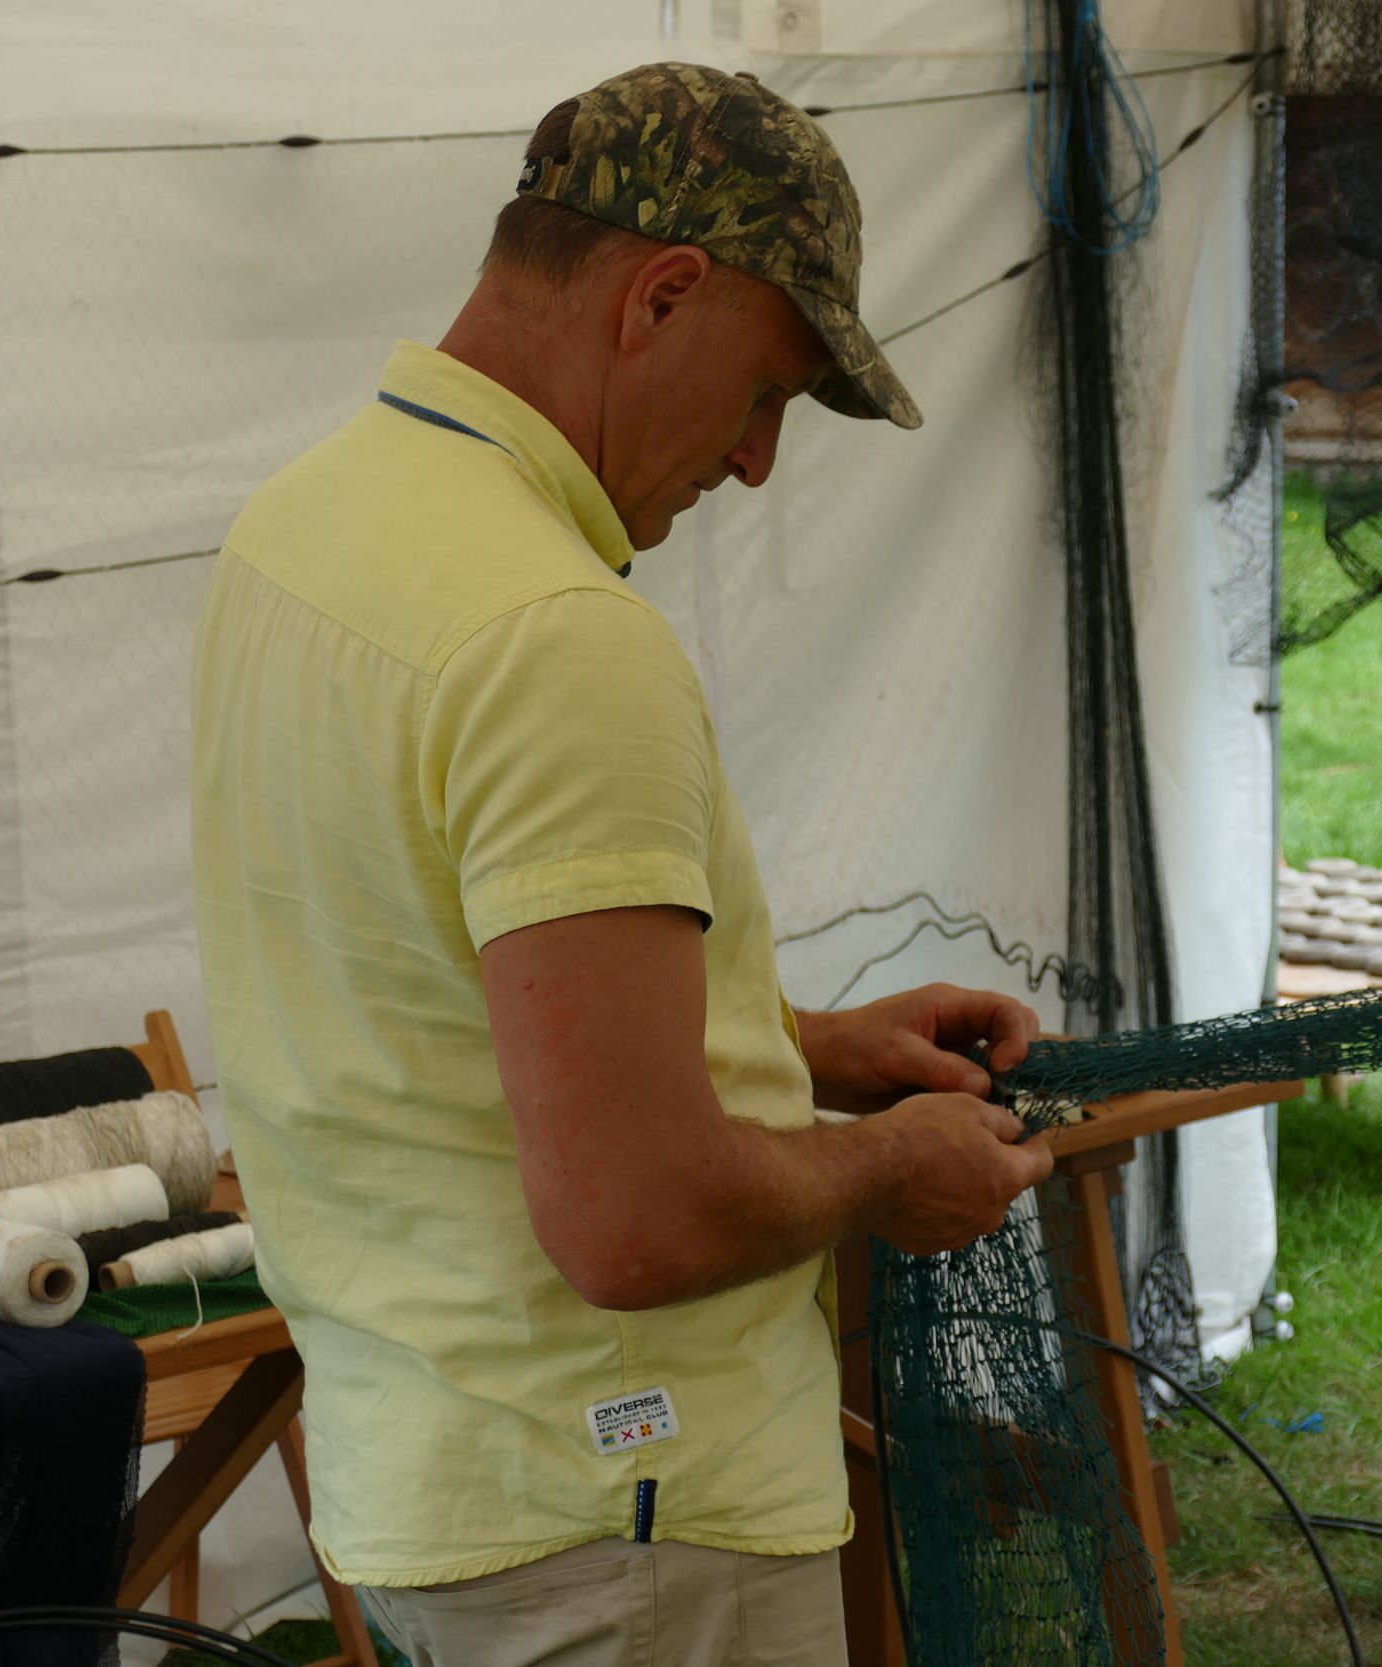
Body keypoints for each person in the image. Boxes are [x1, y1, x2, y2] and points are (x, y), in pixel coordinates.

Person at [190, 62, 1052, 1667]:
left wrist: (805, 1052)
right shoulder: (561, 639)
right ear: (663, 294)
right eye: (770, 393)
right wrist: (889, 1168)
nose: (753, 464)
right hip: (626, 1522)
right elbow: (635, 1221)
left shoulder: (299, 533)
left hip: (438, 1485)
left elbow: (427, 997)